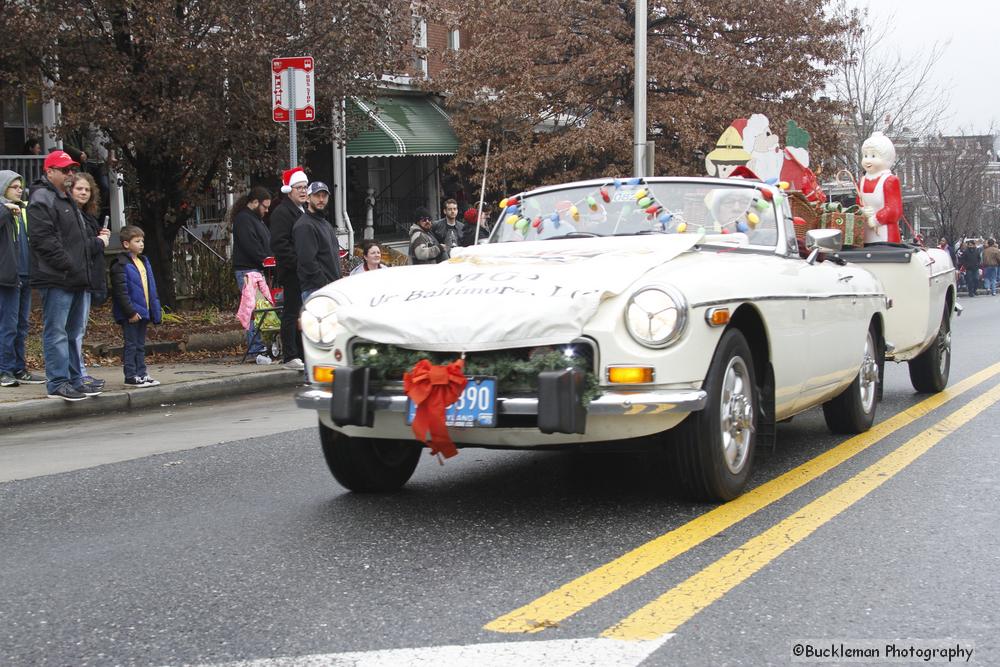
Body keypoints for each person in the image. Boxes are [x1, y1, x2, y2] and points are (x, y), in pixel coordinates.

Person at [28, 150, 105, 401]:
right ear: (49, 172)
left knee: (72, 333)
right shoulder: (42, 198)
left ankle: (74, 379)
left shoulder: (65, 199)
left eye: (71, 169)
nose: (70, 173)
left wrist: (79, 266)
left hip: (74, 276)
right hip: (57, 277)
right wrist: (69, 264)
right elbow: (43, 240)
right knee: (57, 332)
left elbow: (79, 239)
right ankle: (58, 382)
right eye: (64, 170)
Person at [0, 170, 45, 387]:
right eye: (14, 187)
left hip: (26, 275)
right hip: (8, 277)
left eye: (21, 186)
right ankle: (4, 370)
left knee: (21, 325)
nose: (20, 190)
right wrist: (5, 210)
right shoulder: (4, 210)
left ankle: (19, 368)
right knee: (7, 325)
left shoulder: (23, 210)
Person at [67, 171, 110, 392]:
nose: (83, 193)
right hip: (76, 279)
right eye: (79, 189)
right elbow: (81, 248)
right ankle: (75, 374)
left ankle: (78, 372)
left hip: (87, 279)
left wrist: (100, 237)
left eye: (87, 189)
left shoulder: (87, 217)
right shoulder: (71, 215)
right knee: (73, 331)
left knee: (78, 330)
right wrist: (100, 242)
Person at [110, 226, 162, 387]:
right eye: (137, 241)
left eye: (142, 241)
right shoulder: (120, 265)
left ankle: (142, 373)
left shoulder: (143, 261)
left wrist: (154, 310)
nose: (141, 244)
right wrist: (130, 312)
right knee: (131, 344)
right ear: (126, 244)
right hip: (131, 314)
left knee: (140, 344)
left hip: (143, 311)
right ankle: (131, 375)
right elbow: (121, 292)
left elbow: (150, 288)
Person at [269, 167, 309, 370]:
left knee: (304, 314)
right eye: (298, 187)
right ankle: (290, 355)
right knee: (291, 312)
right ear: (289, 190)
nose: (303, 191)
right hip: (293, 271)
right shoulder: (282, 213)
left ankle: (303, 353)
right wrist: (298, 264)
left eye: (305, 187)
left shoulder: (304, 210)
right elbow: (280, 244)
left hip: (305, 271)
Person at [230, 186, 272, 364]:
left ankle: (259, 346)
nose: (266, 210)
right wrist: (265, 259)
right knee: (253, 309)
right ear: (255, 202)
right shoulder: (244, 219)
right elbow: (251, 245)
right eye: (265, 206)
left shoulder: (253, 219)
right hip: (248, 270)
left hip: (254, 269)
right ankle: (255, 348)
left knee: (259, 308)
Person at [293, 182, 341, 301]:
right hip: (316, 290)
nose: (321, 199)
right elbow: (307, 262)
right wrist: (324, 284)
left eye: (324, 196)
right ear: (308, 198)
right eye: (317, 195)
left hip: (331, 288)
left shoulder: (325, 224)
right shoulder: (304, 225)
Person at [858, 132, 902, 244]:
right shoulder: (862, 181)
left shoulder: (889, 181)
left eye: (873, 156)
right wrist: (862, 211)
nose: (868, 160)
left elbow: (894, 210)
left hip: (885, 235)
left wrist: (876, 219)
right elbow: (858, 203)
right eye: (865, 156)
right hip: (865, 235)